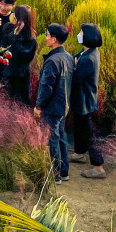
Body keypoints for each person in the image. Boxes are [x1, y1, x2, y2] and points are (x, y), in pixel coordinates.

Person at [34, 23, 73, 183]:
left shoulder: (52, 61)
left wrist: (38, 106)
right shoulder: (69, 57)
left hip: (52, 106)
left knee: (53, 139)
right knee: (61, 136)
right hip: (64, 105)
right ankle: (64, 172)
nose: (46, 37)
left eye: (48, 35)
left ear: (54, 39)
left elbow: (46, 87)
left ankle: (55, 174)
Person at [70, 22, 106, 178]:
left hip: (84, 100)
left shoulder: (88, 58)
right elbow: (74, 59)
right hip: (83, 99)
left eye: (81, 33)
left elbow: (75, 78)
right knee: (79, 127)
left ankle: (98, 167)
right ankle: (79, 153)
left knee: (89, 132)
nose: (79, 34)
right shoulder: (90, 52)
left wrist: (74, 66)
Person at [1, 0, 38, 106]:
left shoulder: (26, 35)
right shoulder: (29, 34)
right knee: (16, 102)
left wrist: (16, 34)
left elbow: (6, 49)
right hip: (16, 73)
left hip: (14, 74)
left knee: (13, 102)